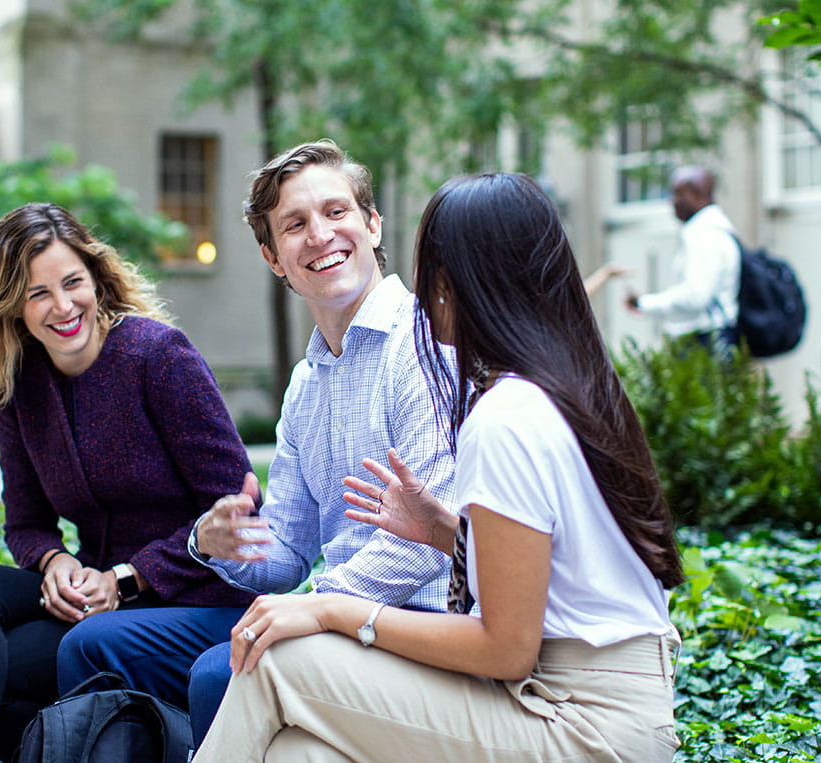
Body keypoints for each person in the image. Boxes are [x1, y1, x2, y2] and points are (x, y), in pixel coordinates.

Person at [196, 173, 685, 762]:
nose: (422, 296)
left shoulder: (504, 415)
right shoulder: (566, 388)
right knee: (301, 754)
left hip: (581, 718)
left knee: (276, 662)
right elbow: (555, 573)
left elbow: (507, 648)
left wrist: (331, 607)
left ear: (464, 282)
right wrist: (445, 532)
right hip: (589, 697)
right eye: (296, 224)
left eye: (431, 272)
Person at [55, 139, 455, 749]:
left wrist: (313, 607)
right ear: (274, 258)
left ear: (372, 225)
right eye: (295, 225)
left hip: (410, 622)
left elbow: (427, 546)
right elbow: (288, 552)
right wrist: (215, 542)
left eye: (336, 212)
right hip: (326, 615)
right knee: (94, 645)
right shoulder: (307, 383)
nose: (320, 235)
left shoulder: (421, 347)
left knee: (225, 668)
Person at [0, 203, 255, 763]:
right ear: (12, 308)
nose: (62, 306)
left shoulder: (157, 357)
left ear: (97, 280)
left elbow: (235, 513)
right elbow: (25, 522)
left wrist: (129, 575)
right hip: (94, 594)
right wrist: (52, 562)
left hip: (190, 597)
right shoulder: (21, 385)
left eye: (72, 283)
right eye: (37, 293)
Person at [624, 165, 740, 350]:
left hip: (704, 342)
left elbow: (696, 296)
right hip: (710, 338)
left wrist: (645, 303)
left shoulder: (704, 234)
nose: (672, 201)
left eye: (677, 193)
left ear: (694, 194)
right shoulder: (715, 230)